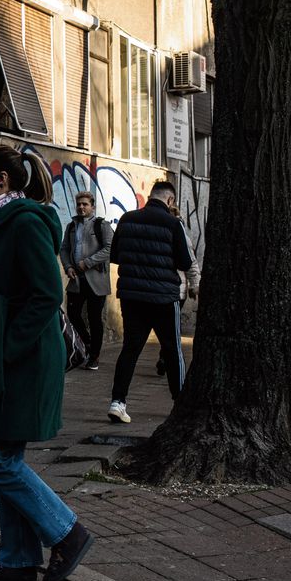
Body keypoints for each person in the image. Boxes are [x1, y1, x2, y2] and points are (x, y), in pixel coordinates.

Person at [0, 145, 92, 581]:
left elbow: (45, 295)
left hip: (24, 359)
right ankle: (17, 562)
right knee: (4, 454)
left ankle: (66, 532)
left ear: (2, 180)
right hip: (9, 355)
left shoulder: (25, 224)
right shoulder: (1, 220)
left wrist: (8, 349)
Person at [105, 181, 194, 423]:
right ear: (170, 201)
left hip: (132, 297)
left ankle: (117, 402)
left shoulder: (127, 219)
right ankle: (180, 404)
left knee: (130, 350)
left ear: (150, 196)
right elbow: (185, 263)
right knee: (173, 349)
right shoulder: (173, 223)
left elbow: (115, 257)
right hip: (164, 297)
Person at [58, 191, 112, 371]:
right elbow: (64, 249)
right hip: (76, 279)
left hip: (96, 280)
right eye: (79, 204)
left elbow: (109, 248)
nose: (81, 207)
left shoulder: (101, 225)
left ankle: (94, 356)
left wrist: (87, 263)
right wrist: (68, 267)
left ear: (92, 206)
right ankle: (87, 345)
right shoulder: (71, 227)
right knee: (72, 314)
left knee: (94, 318)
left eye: (85, 204)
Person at [157, 205, 200, 377]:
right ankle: (165, 356)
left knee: (169, 327)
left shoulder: (183, 237)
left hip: (177, 289)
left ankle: (165, 358)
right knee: (164, 326)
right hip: (160, 288)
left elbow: (191, 263)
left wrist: (194, 285)